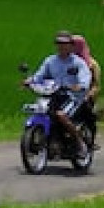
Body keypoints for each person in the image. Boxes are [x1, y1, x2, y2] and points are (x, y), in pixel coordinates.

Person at [23, 30, 92, 161]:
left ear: (71, 46)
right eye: (59, 43)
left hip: (72, 97)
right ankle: (48, 141)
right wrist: (29, 81)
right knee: (41, 110)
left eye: (65, 44)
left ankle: (80, 144)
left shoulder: (78, 63)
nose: (61, 46)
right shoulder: (50, 61)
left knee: (61, 115)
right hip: (53, 95)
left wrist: (77, 86)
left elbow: (84, 81)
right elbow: (39, 76)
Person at [73, 34, 101, 148]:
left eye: (74, 46)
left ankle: (90, 140)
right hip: (67, 95)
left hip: (84, 96)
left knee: (88, 114)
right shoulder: (65, 62)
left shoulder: (92, 64)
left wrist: (88, 95)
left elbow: (96, 85)